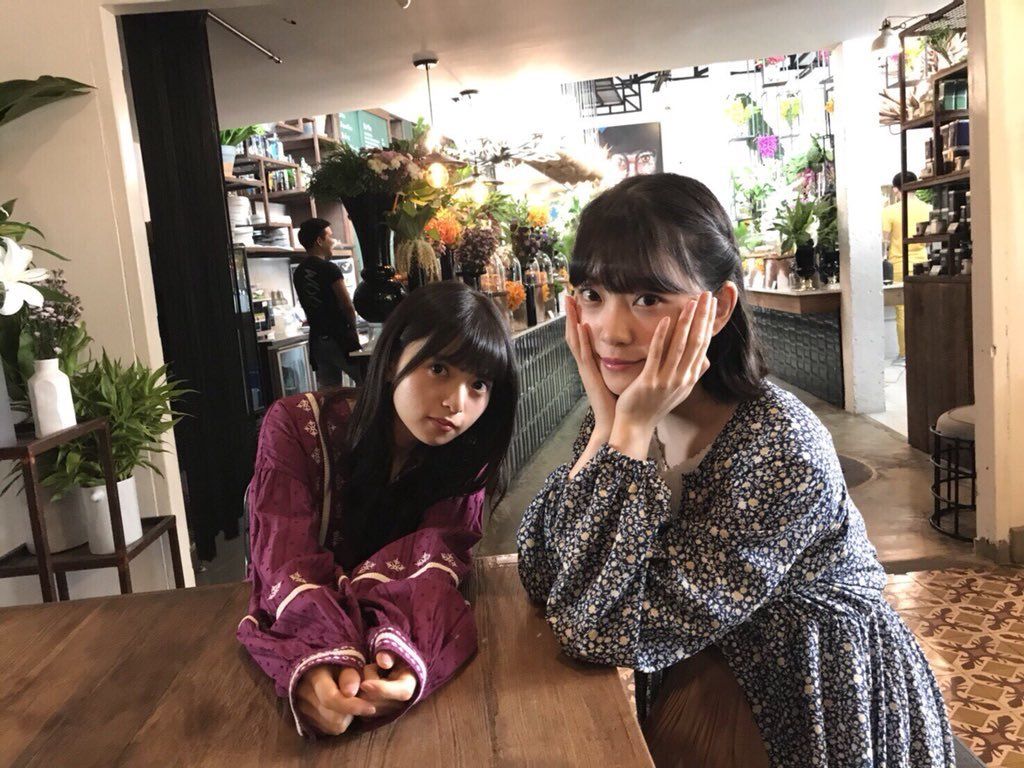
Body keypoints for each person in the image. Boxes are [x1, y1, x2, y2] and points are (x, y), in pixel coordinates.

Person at [518, 174, 953, 767]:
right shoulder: (628, 419)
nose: (611, 332)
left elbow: (596, 628)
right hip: (700, 678)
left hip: (811, 700)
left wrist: (627, 427)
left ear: (718, 308)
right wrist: (606, 429)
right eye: (592, 295)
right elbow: (544, 571)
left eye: (647, 299)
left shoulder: (781, 446)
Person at [238, 281, 518, 737]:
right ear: (391, 361)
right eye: (439, 368)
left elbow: (432, 569)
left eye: (479, 385)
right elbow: (284, 557)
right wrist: (321, 659)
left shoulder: (466, 461)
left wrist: (402, 666)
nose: (456, 403)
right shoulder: (296, 425)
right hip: (297, 619)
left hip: (393, 653)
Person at [293, 217, 364, 385]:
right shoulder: (329, 268)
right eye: (330, 236)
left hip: (317, 341)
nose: (333, 241)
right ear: (319, 241)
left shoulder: (299, 272)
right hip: (339, 338)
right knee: (367, 382)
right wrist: (353, 330)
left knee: (329, 391)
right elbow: (347, 305)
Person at [881, 172, 932, 359]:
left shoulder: (889, 211)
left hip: (899, 262)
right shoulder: (927, 208)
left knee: (902, 308)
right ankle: (925, 349)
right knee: (923, 306)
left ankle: (906, 352)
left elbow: (885, 240)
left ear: (896, 189)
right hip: (923, 261)